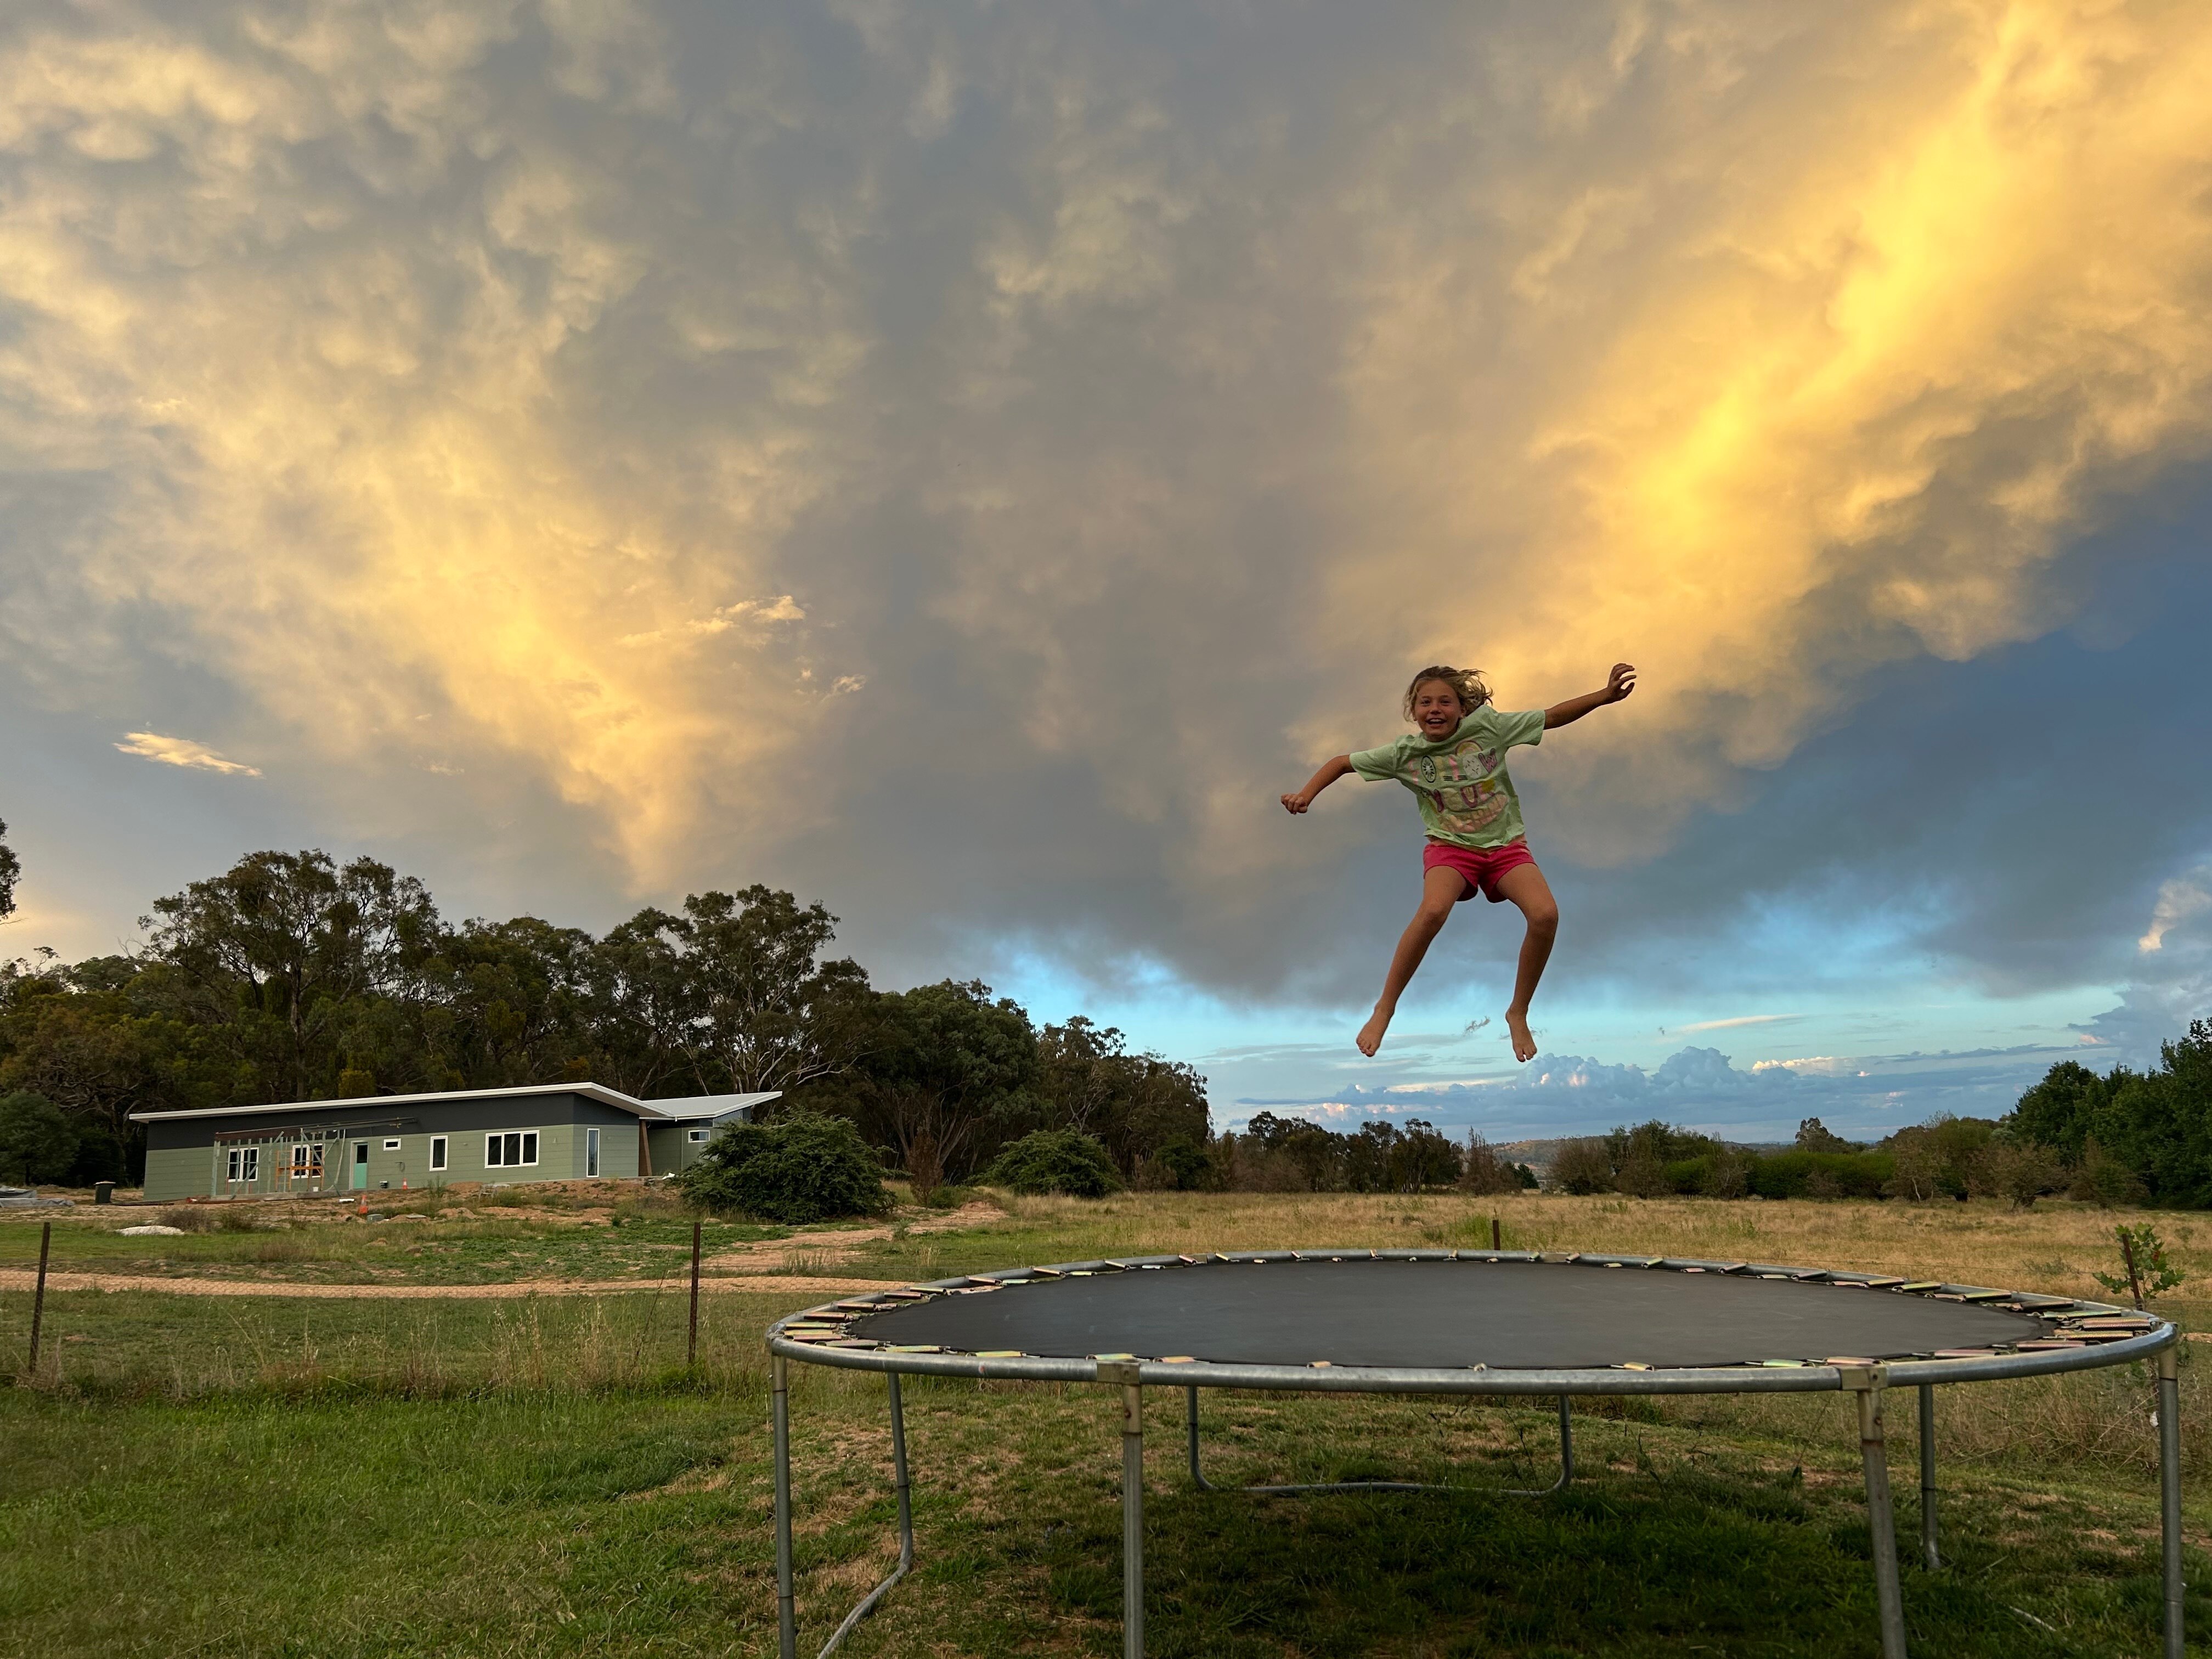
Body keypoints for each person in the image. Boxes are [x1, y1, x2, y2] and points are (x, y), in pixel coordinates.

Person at [1280, 661, 1636, 1062]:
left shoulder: (1491, 729)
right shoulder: (1405, 754)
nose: (1435, 708)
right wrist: (1306, 794)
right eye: (1425, 702)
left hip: (1505, 847)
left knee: (1545, 915)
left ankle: (1518, 1012)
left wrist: (1603, 697)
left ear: (1462, 708)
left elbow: (1552, 716)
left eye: (1445, 701)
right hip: (1450, 848)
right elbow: (1342, 762)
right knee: (1433, 910)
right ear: (1413, 711)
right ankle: (1385, 1008)